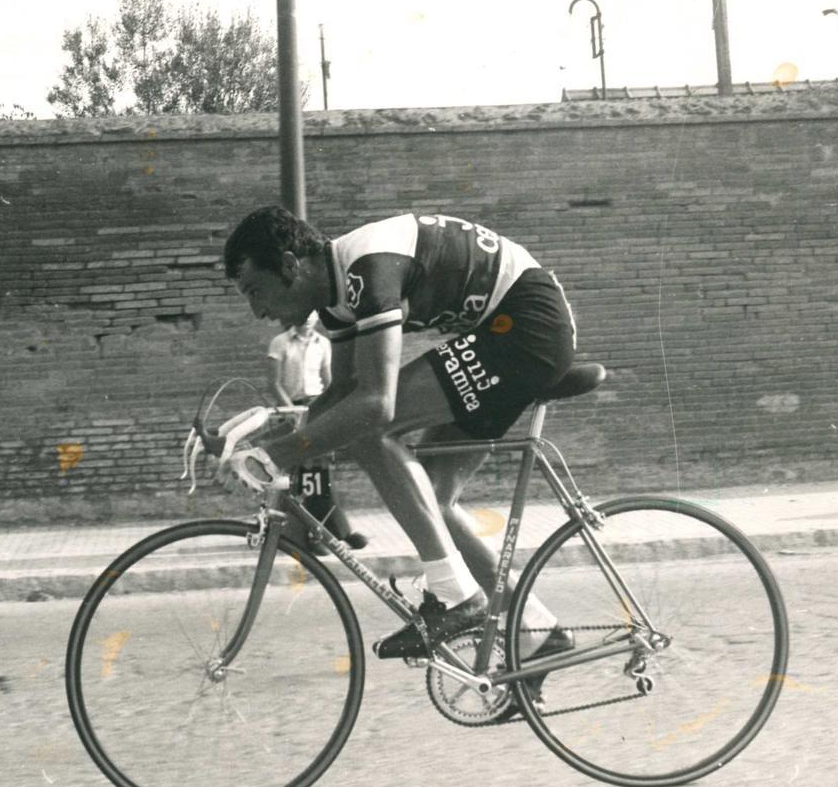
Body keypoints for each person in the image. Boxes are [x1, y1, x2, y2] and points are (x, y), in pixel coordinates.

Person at [219, 206, 576, 667]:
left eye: (254, 290)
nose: (257, 311)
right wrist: (271, 428)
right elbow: (341, 394)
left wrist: (274, 457)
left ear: (289, 264)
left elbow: (374, 405)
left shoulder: (367, 269)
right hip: (506, 333)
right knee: (432, 498)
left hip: (525, 329)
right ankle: (537, 629)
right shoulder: (338, 298)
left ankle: (456, 596)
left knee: (370, 426)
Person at [266, 313, 368, 553]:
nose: (309, 318)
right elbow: (273, 383)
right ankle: (296, 530)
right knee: (294, 471)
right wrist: (293, 411)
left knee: (319, 472)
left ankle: (332, 530)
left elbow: (329, 382)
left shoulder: (323, 343)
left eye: (314, 313)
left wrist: (325, 411)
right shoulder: (279, 343)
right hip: (291, 407)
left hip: (317, 407)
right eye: (305, 314)